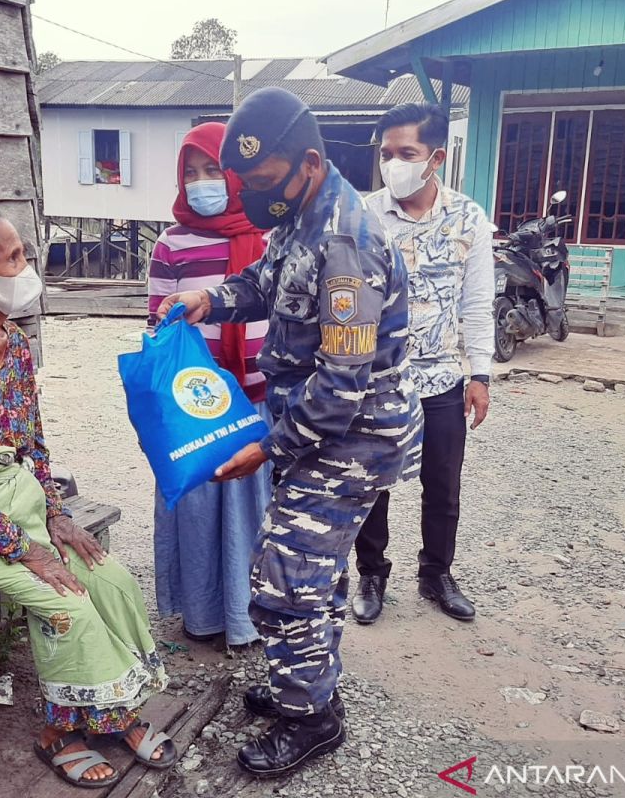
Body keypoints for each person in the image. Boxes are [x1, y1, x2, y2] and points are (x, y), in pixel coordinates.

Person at [158, 87, 423, 778]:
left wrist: (266, 449)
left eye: (264, 182)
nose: (252, 196)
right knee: (313, 574)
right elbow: (262, 280)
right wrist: (208, 296)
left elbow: (342, 386)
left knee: (283, 582)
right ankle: (305, 682)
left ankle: (311, 720)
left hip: (349, 438)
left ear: (307, 162)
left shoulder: (347, 245)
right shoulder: (302, 217)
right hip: (315, 430)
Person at [0, 207, 174, 790]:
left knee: (112, 579)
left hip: (20, 500)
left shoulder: (16, 345)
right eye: (15, 257)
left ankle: (113, 712)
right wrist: (27, 549)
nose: (28, 267)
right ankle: (59, 730)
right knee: (65, 603)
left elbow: (34, 442)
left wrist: (56, 515)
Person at [350, 102, 495, 627]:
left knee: (443, 483)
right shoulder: (362, 215)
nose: (394, 164)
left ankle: (437, 573)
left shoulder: (468, 219)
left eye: (406, 153)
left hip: (440, 380)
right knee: (373, 481)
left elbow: (477, 303)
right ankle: (372, 573)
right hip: (377, 379)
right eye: (386, 154)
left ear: (435, 158)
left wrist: (480, 374)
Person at [147, 122, 270, 647]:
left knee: (253, 514)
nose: (202, 182)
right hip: (196, 405)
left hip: (259, 400)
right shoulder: (171, 244)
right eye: (190, 173)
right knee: (199, 508)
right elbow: (157, 326)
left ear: (235, 174)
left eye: (213, 170)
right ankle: (203, 617)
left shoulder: (269, 238)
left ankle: (250, 618)